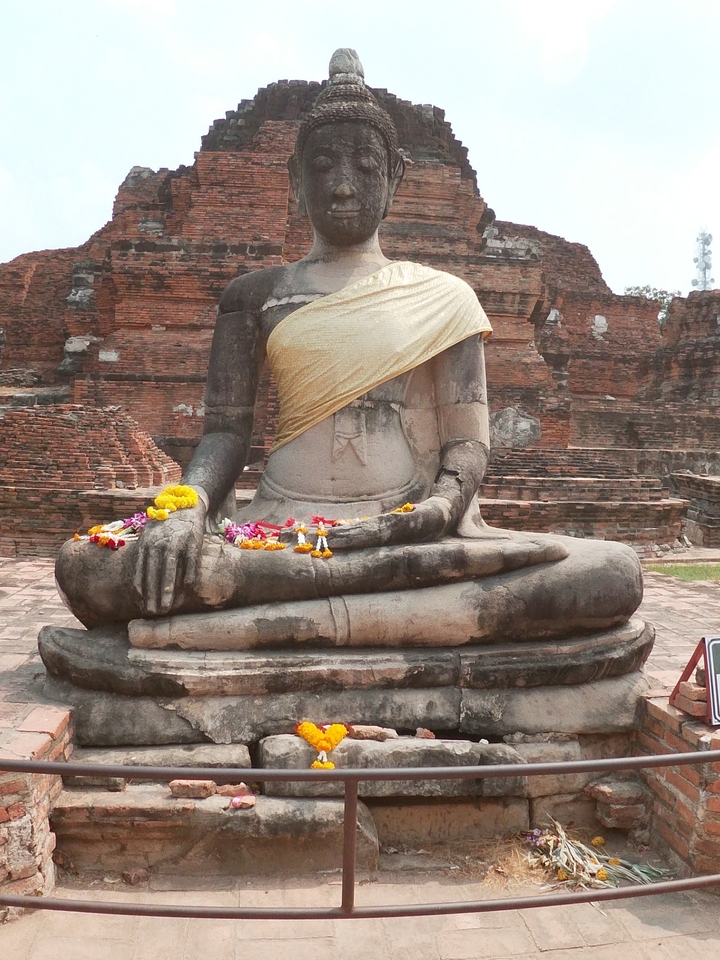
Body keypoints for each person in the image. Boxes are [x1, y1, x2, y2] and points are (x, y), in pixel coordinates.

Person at [55, 50, 642, 645]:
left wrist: (439, 508)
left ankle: (269, 624)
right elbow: (225, 435)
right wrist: (188, 508)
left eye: (363, 165)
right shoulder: (254, 297)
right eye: (323, 165)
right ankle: (387, 622)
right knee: (85, 566)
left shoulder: (445, 298)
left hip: (409, 533)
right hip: (279, 531)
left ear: (395, 176)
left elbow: (467, 444)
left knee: (610, 574)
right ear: (294, 179)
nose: (340, 186)